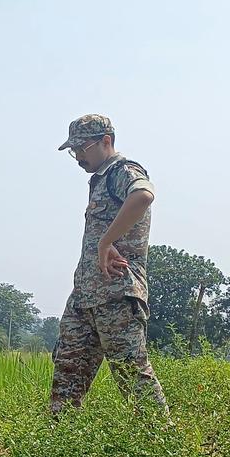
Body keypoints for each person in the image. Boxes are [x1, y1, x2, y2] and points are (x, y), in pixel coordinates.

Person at [49, 114, 167, 413]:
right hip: (85, 297)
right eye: (73, 151)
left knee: (131, 375)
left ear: (106, 141)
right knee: (67, 374)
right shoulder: (100, 180)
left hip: (116, 295)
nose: (77, 157)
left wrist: (105, 242)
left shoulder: (122, 171)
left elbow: (143, 195)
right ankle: (55, 447)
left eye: (82, 148)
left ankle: (162, 445)